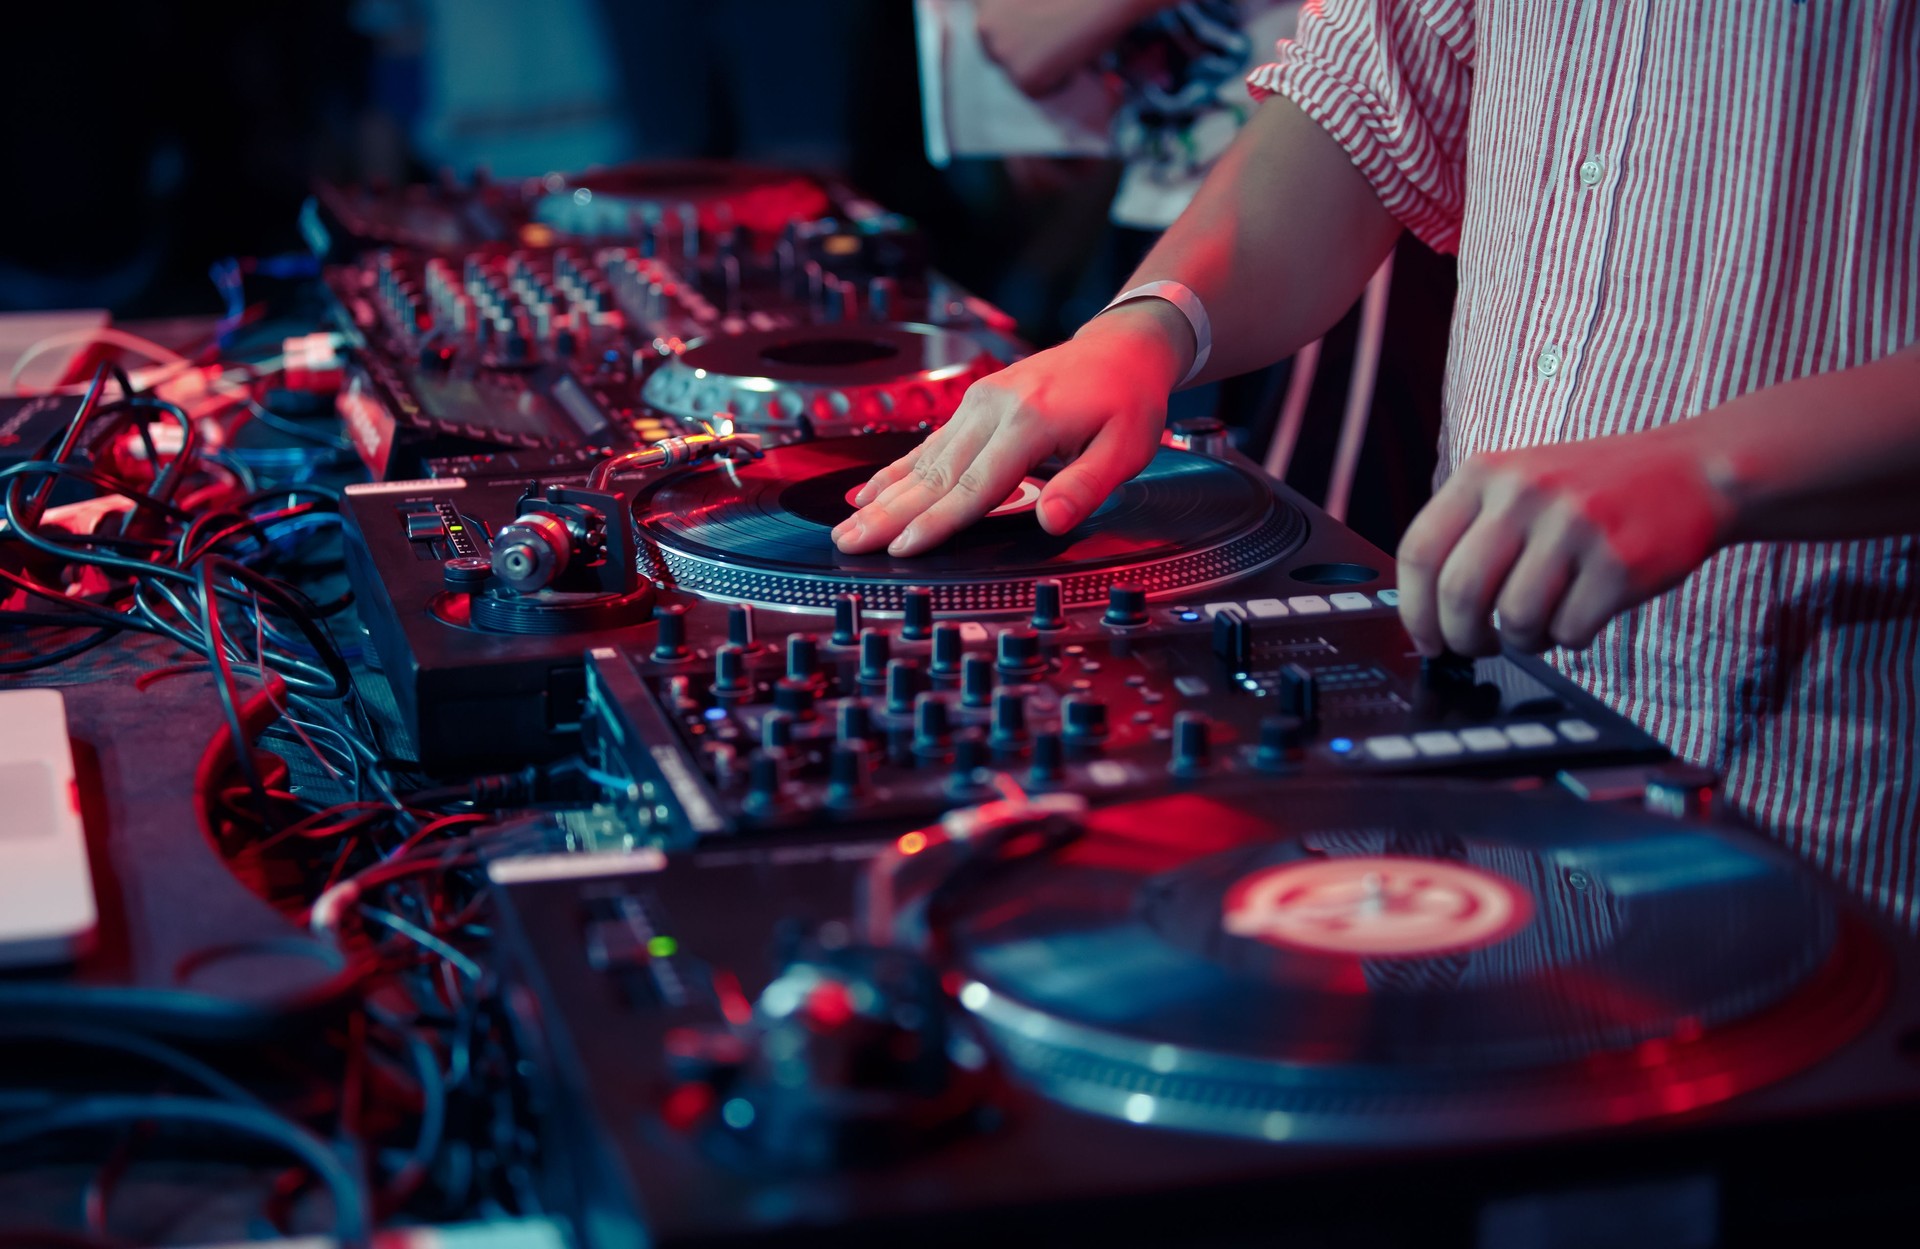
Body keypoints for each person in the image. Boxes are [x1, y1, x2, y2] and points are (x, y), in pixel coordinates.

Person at [836, 2, 1920, 917]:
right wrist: (1151, 324)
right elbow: (1361, 104)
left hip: (1834, 774)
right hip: (1494, 718)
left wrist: (1715, 466)